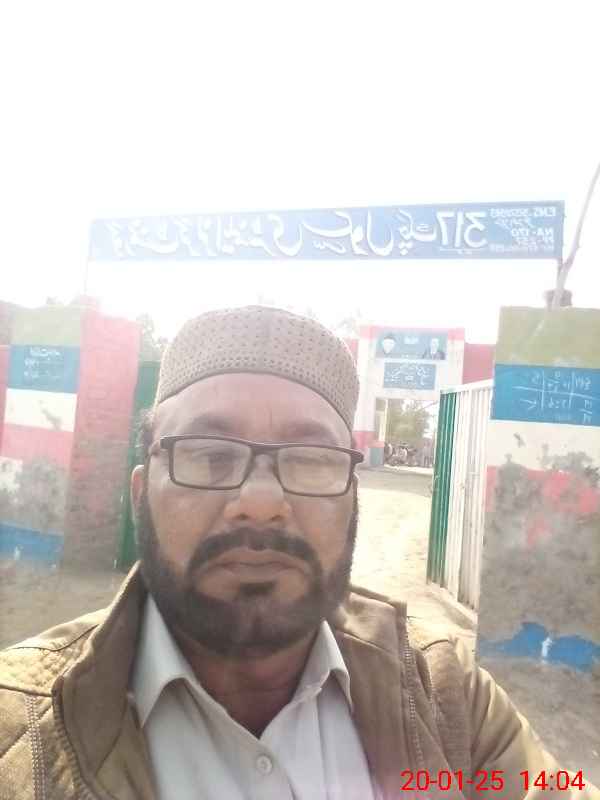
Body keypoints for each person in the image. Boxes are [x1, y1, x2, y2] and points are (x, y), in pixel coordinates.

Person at [0, 306, 597, 800]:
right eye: (210, 455)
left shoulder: (447, 694)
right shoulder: (19, 729)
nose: (260, 504)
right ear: (140, 494)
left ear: (354, 499)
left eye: (311, 461)